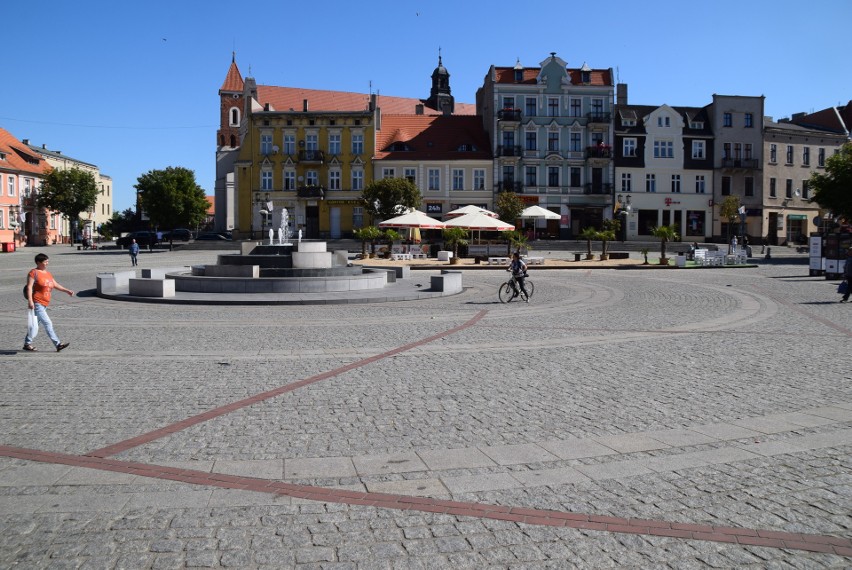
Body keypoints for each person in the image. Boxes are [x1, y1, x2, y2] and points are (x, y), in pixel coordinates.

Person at [23, 253, 74, 352]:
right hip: (37, 302)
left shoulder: (47, 273)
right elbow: (29, 287)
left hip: (45, 303)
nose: (47, 263)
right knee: (48, 323)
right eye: (45, 262)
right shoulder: (33, 273)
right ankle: (58, 344)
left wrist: (66, 290)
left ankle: (27, 344)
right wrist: (30, 301)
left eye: (47, 261)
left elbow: (54, 284)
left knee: (34, 325)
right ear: (38, 262)